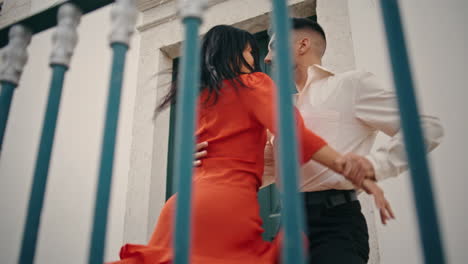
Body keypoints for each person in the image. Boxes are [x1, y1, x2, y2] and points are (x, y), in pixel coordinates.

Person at [109, 24, 389, 264]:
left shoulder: (202, 101)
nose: (260, 59)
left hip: (180, 206)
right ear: (234, 52)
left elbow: (249, 161)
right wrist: (345, 164)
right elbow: (294, 135)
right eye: (251, 51)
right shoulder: (254, 84)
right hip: (230, 204)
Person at [196, 18, 443, 264]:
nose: (267, 58)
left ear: (302, 45)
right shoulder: (279, 108)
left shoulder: (351, 85)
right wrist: (209, 163)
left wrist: (374, 165)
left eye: (273, 47)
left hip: (335, 223)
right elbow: (263, 171)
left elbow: (425, 128)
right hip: (289, 225)